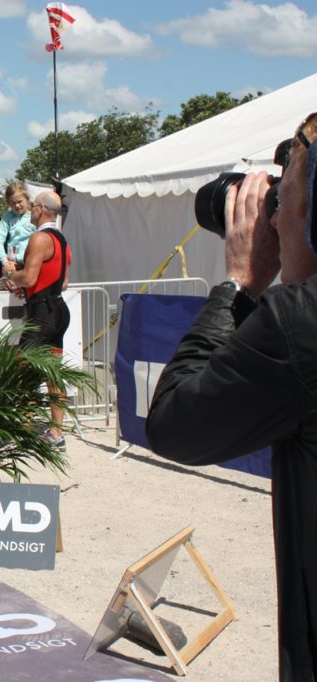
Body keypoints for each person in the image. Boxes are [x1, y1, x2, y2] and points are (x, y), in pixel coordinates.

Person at [147, 112, 317, 681]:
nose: (271, 216)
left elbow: (176, 423)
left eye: (283, 195)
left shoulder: (302, 324)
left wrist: (239, 285)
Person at [1, 190, 71, 447]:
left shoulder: (39, 238)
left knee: (22, 372)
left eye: (33, 206)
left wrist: (11, 273)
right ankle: (56, 433)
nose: (30, 210)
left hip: (42, 312)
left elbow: (29, 278)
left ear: (42, 209)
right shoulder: (62, 240)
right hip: (57, 309)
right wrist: (31, 285)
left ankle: (23, 430)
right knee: (53, 373)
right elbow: (63, 282)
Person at [0, 181, 36, 268]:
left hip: (31, 264)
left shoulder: (34, 217)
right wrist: (5, 262)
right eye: (13, 203)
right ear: (8, 203)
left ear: (27, 199)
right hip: (12, 264)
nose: (17, 205)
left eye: (20, 201)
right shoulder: (7, 218)